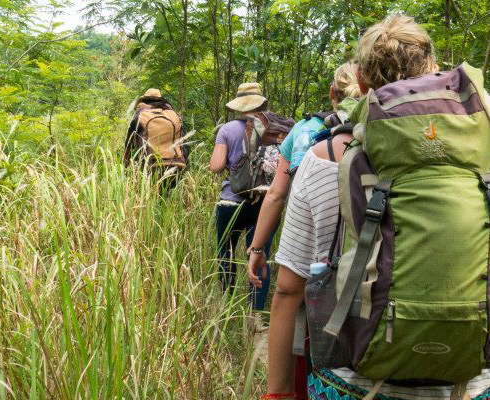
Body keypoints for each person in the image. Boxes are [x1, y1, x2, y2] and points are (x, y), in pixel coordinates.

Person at [255, 15, 490, 400]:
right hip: (471, 382)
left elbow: (287, 290)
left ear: (362, 84)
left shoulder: (324, 157)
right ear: (436, 70)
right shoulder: (482, 156)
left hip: (352, 381)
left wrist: (277, 392)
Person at [247, 61, 361, 400]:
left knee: (303, 335)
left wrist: (257, 247)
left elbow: (277, 194)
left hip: (312, 267)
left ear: (332, 94)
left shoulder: (304, 133)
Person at [209, 82, 279, 314]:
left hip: (231, 201)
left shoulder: (227, 129)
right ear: (260, 102)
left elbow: (217, 166)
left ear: (239, 105)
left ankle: (226, 306)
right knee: (259, 254)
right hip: (264, 203)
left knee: (225, 252)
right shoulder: (274, 128)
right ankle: (255, 315)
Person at [124, 88, 188, 190]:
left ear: (144, 101)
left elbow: (128, 146)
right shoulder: (174, 114)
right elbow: (184, 143)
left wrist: (125, 171)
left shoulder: (140, 116)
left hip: (151, 166)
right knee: (166, 198)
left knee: (151, 200)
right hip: (177, 165)